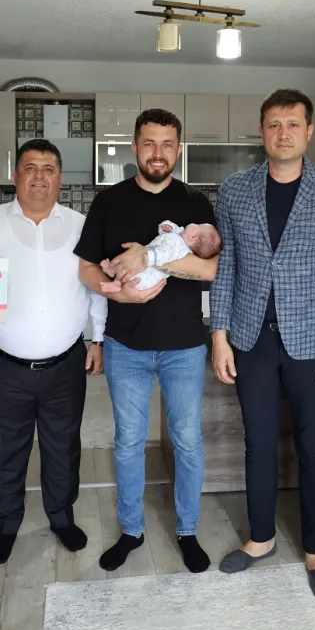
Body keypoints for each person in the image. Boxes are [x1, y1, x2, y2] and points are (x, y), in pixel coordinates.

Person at [210, 88, 315, 599]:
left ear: (309, 131)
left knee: (314, 447)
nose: (283, 133)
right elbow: (227, 267)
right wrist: (219, 335)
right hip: (250, 338)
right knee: (258, 442)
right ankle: (261, 538)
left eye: (293, 124)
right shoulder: (235, 190)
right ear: (262, 132)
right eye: (274, 124)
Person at [75, 108, 218, 574]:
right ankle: (132, 530)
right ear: (135, 147)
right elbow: (86, 268)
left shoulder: (196, 204)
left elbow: (212, 269)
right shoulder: (109, 202)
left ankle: (188, 530)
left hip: (184, 345)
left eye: (167, 144)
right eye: (149, 143)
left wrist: (151, 260)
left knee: (188, 442)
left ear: (179, 150)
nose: (158, 153)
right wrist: (116, 293)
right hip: (125, 345)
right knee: (128, 442)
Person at [0, 139, 108, 565]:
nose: (39, 176)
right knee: (5, 447)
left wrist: (98, 338)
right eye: (30, 167)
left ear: (60, 178)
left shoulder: (82, 226)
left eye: (48, 169)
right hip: (2, 364)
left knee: (63, 446)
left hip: (66, 363)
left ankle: (61, 517)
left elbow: (96, 286)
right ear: (16, 176)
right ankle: (7, 523)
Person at [99, 220, 221, 292]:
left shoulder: (178, 247)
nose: (195, 223)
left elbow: (164, 255)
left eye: (198, 225)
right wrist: (167, 227)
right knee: (127, 264)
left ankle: (117, 283)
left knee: (131, 271)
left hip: (148, 276)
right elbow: (170, 233)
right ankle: (113, 273)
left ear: (193, 237)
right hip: (147, 260)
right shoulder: (179, 235)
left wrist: (150, 258)